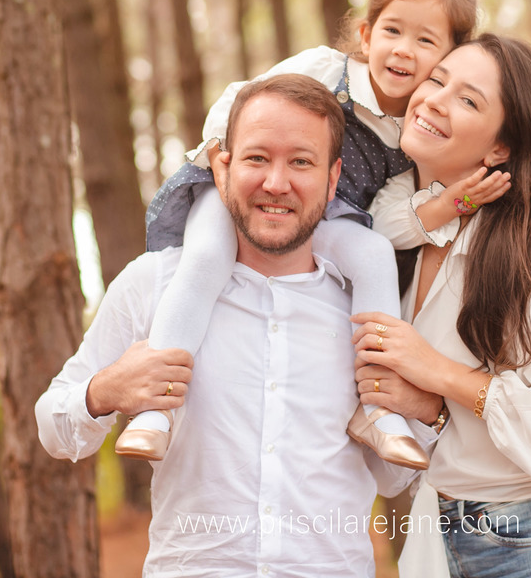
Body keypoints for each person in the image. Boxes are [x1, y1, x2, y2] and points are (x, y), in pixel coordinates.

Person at [117, 0, 510, 470]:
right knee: (207, 256)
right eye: (393, 31)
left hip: (320, 215)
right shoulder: (327, 70)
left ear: (445, 61)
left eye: (425, 41)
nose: (403, 49)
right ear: (366, 35)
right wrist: (221, 155)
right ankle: (157, 407)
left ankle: (377, 408)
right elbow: (241, 99)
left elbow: (388, 218)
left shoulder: (409, 136)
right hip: (245, 187)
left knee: (373, 255)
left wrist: (445, 205)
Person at [36, 75, 441, 577]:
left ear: (333, 178)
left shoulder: (367, 308)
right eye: (257, 158)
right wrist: (103, 391)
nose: (276, 183)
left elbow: (392, 479)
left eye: (301, 162)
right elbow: (53, 428)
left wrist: (424, 413)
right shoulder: (154, 284)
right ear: (223, 166)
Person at [353, 34, 531, 577]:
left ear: (499, 150)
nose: (435, 100)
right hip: (449, 538)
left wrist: (440, 373)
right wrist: (433, 406)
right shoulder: (395, 242)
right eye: (436, 80)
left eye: (468, 100)